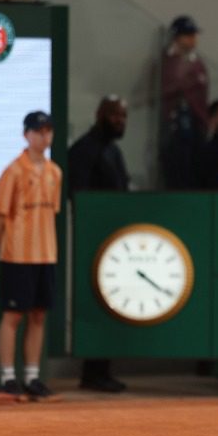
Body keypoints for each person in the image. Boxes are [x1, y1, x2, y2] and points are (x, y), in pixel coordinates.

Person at [0, 111, 62, 402]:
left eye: (48, 131)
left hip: (46, 253)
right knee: (13, 315)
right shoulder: (13, 171)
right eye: (38, 131)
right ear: (26, 134)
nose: (44, 136)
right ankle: (8, 377)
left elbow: (52, 212)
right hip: (17, 255)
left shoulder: (55, 172)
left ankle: (32, 376)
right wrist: (3, 245)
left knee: (39, 315)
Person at [68, 95, 130, 393]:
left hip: (113, 239)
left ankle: (102, 370)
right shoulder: (84, 149)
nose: (120, 121)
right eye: (116, 115)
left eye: (124, 116)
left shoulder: (113, 151)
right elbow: (77, 194)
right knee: (95, 303)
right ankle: (92, 372)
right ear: (100, 114)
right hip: (92, 240)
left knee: (111, 304)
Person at [160, 15, 209, 189]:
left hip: (196, 124)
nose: (193, 39)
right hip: (173, 126)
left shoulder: (197, 62)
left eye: (193, 35)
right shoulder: (166, 62)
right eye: (188, 35)